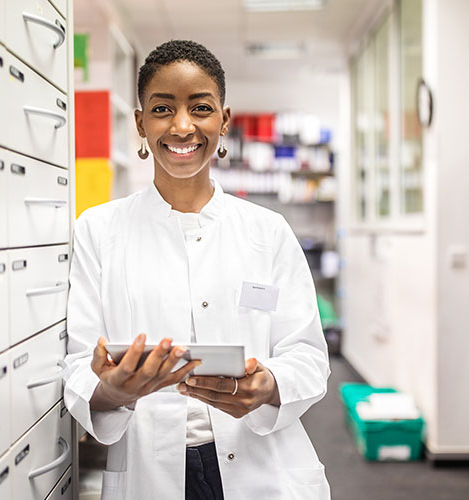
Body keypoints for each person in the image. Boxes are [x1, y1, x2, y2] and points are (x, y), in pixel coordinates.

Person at [63, 40, 331, 500]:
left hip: (262, 465)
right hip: (151, 469)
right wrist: (114, 390)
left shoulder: (268, 232)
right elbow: (79, 365)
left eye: (201, 107)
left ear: (224, 120)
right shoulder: (98, 230)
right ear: (141, 123)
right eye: (162, 108)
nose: (182, 126)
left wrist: (268, 385)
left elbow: (308, 357)